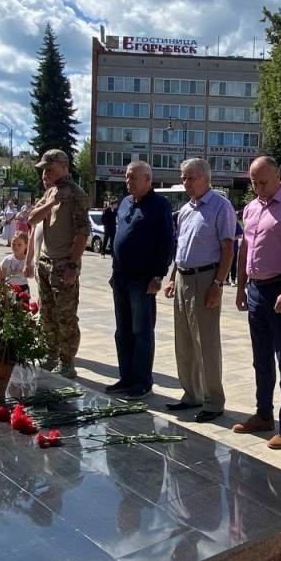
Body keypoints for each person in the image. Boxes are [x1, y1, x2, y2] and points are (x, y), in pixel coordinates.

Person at [233, 156, 281, 448]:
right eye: (253, 181)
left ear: (279, 176)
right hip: (256, 290)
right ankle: (263, 414)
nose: (258, 186)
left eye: (263, 181)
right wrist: (241, 288)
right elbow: (245, 249)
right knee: (260, 359)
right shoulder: (251, 207)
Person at [163, 158, 235, 423]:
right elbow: (180, 250)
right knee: (183, 342)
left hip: (205, 279)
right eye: (183, 178)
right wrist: (172, 278)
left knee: (206, 343)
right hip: (182, 279)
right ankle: (191, 394)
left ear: (206, 178)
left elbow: (228, 249)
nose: (186, 182)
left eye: (190, 177)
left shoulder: (221, 206)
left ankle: (214, 400)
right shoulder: (185, 210)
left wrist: (218, 284)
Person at [107, 161, 174, 400]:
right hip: (121, 277)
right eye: (126, 177)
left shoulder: (159, 205)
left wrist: (158, 275)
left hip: (143, 279)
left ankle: (142, 382)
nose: (128, 182)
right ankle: (126, 377)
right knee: (122, 331)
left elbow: (166, 242)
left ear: (148, 179)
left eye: (133, 177)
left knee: (141, 331)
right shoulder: (125, 203)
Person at [26, 149, 91, 378]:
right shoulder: (52, 191)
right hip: (44, 262)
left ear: (63, 165)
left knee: (66, 317)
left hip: (63, 264)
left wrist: (73, 264)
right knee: (47, 314)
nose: (46, 172)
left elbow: (83, 232)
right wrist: (51, 201)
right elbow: (32, 219)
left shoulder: (76, 194)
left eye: (49, 168)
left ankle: (67, 362)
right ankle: (51, 355)